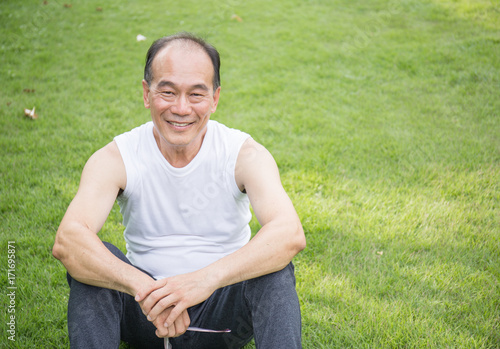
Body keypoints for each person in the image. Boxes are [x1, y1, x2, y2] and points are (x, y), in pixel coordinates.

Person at [52, 32, 306, 349]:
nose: (181, 108)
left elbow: (288, 233)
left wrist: (203, 280)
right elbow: (69, 240)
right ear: (147, 94)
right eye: (168, 92)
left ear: (215, 98)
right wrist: (144, 288)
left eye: (196, 95)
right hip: (145, 313)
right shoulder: (117, 157)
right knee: (93, 262)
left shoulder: (243, 154)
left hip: (222, 318)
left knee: (274, 269)